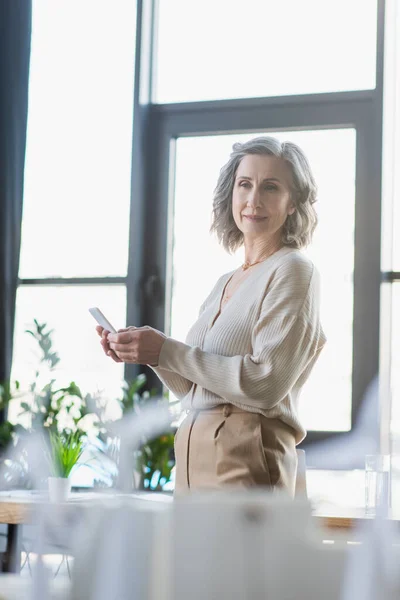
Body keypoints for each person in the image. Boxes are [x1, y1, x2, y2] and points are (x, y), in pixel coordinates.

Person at [96, 136, 326, 497]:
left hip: (245, 458)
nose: (253, 199)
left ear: (293, 201)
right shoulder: (226, 282)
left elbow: (264, 384)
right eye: (244, 185)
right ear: (231, 194)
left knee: (241, 557)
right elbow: (194, 387)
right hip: (192, 456)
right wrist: (150, 352)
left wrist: (166, 350)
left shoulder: (294, 269)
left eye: (270, 187)